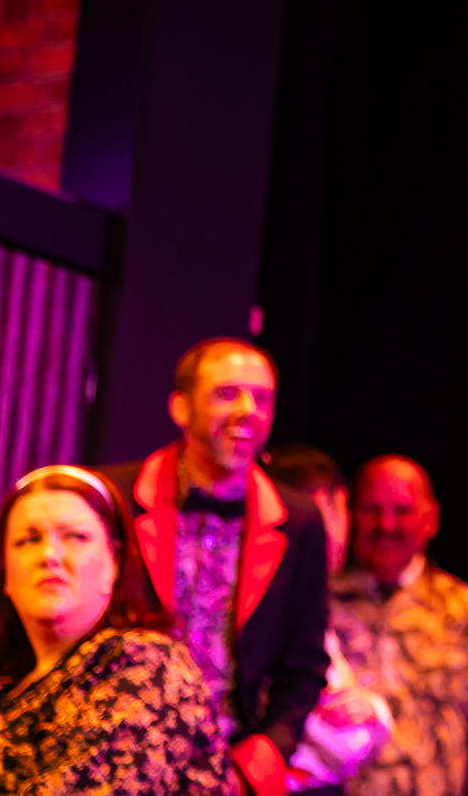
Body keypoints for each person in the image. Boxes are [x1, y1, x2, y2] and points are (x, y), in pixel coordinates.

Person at [98, 338, 330, 796]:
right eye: (227, 394)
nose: (248, 410)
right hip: (116, 756)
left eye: (262, 398)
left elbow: (304, 667)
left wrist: (260, 761)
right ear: (181, 408)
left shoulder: (300, 520)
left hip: (228, 769)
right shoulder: (115, 497)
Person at [0, 465, 229, 793]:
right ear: (6, 576)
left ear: (115, 561)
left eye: (75, 536)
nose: (49, 555)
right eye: (28, 540)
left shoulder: (149, 666)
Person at [328, 456, 468, 796]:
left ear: (431, 518)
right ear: (349, 513)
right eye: (371, 509)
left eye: (402, 510)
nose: (386, 524)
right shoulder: (316, 604)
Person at [262, 445, 391, 795]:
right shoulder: (279, 603)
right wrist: (378, 717)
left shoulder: (309, 598)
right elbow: (344, 742)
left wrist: (373, 710)